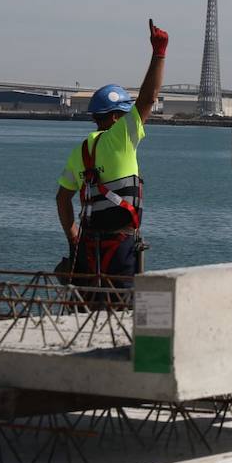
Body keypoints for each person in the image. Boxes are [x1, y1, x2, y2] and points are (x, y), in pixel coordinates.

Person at [55, 20, 168, 304]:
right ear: (118, 116)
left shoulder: (81, 150)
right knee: (122, 315)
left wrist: (73, 236)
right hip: (119, 250)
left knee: (87, 311)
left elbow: (62, 198)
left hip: (87, 249)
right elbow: (149, 98)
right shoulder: (121, 137)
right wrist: (159, 52)